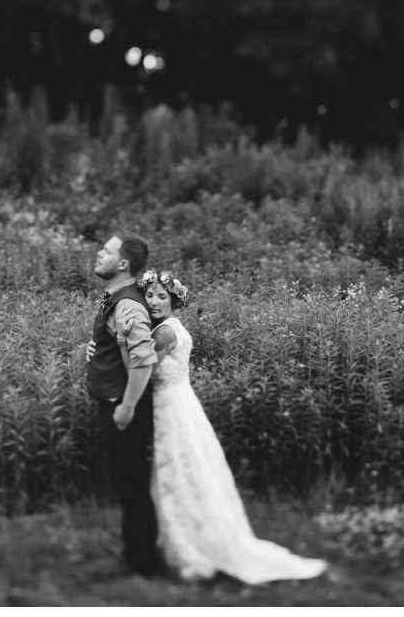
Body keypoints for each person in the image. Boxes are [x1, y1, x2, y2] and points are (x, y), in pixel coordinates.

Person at [118, 269, 329, 584]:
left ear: (174, 300)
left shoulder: (164, 333)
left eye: (162, 296)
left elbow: (140, 369)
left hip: (171, 409)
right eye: (149, 295)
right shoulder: (166, 327)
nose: (154, 301)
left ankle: (192, 545)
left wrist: (122, 339)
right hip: (179, 405)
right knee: (184, 470)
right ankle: (179, 536)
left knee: (178, 471)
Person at [85, 233, 165, 577]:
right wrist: (94, 349)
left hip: (124, 405)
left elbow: (144, 361)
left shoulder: (128, 304)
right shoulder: (117, 298)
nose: (99, 252)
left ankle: (143, 562)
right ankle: (136, 554)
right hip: (115, 400)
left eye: (107, 250)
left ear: (123, 264)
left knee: (132, 484)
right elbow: (119, 346)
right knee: (127, 482)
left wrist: (128, 406)